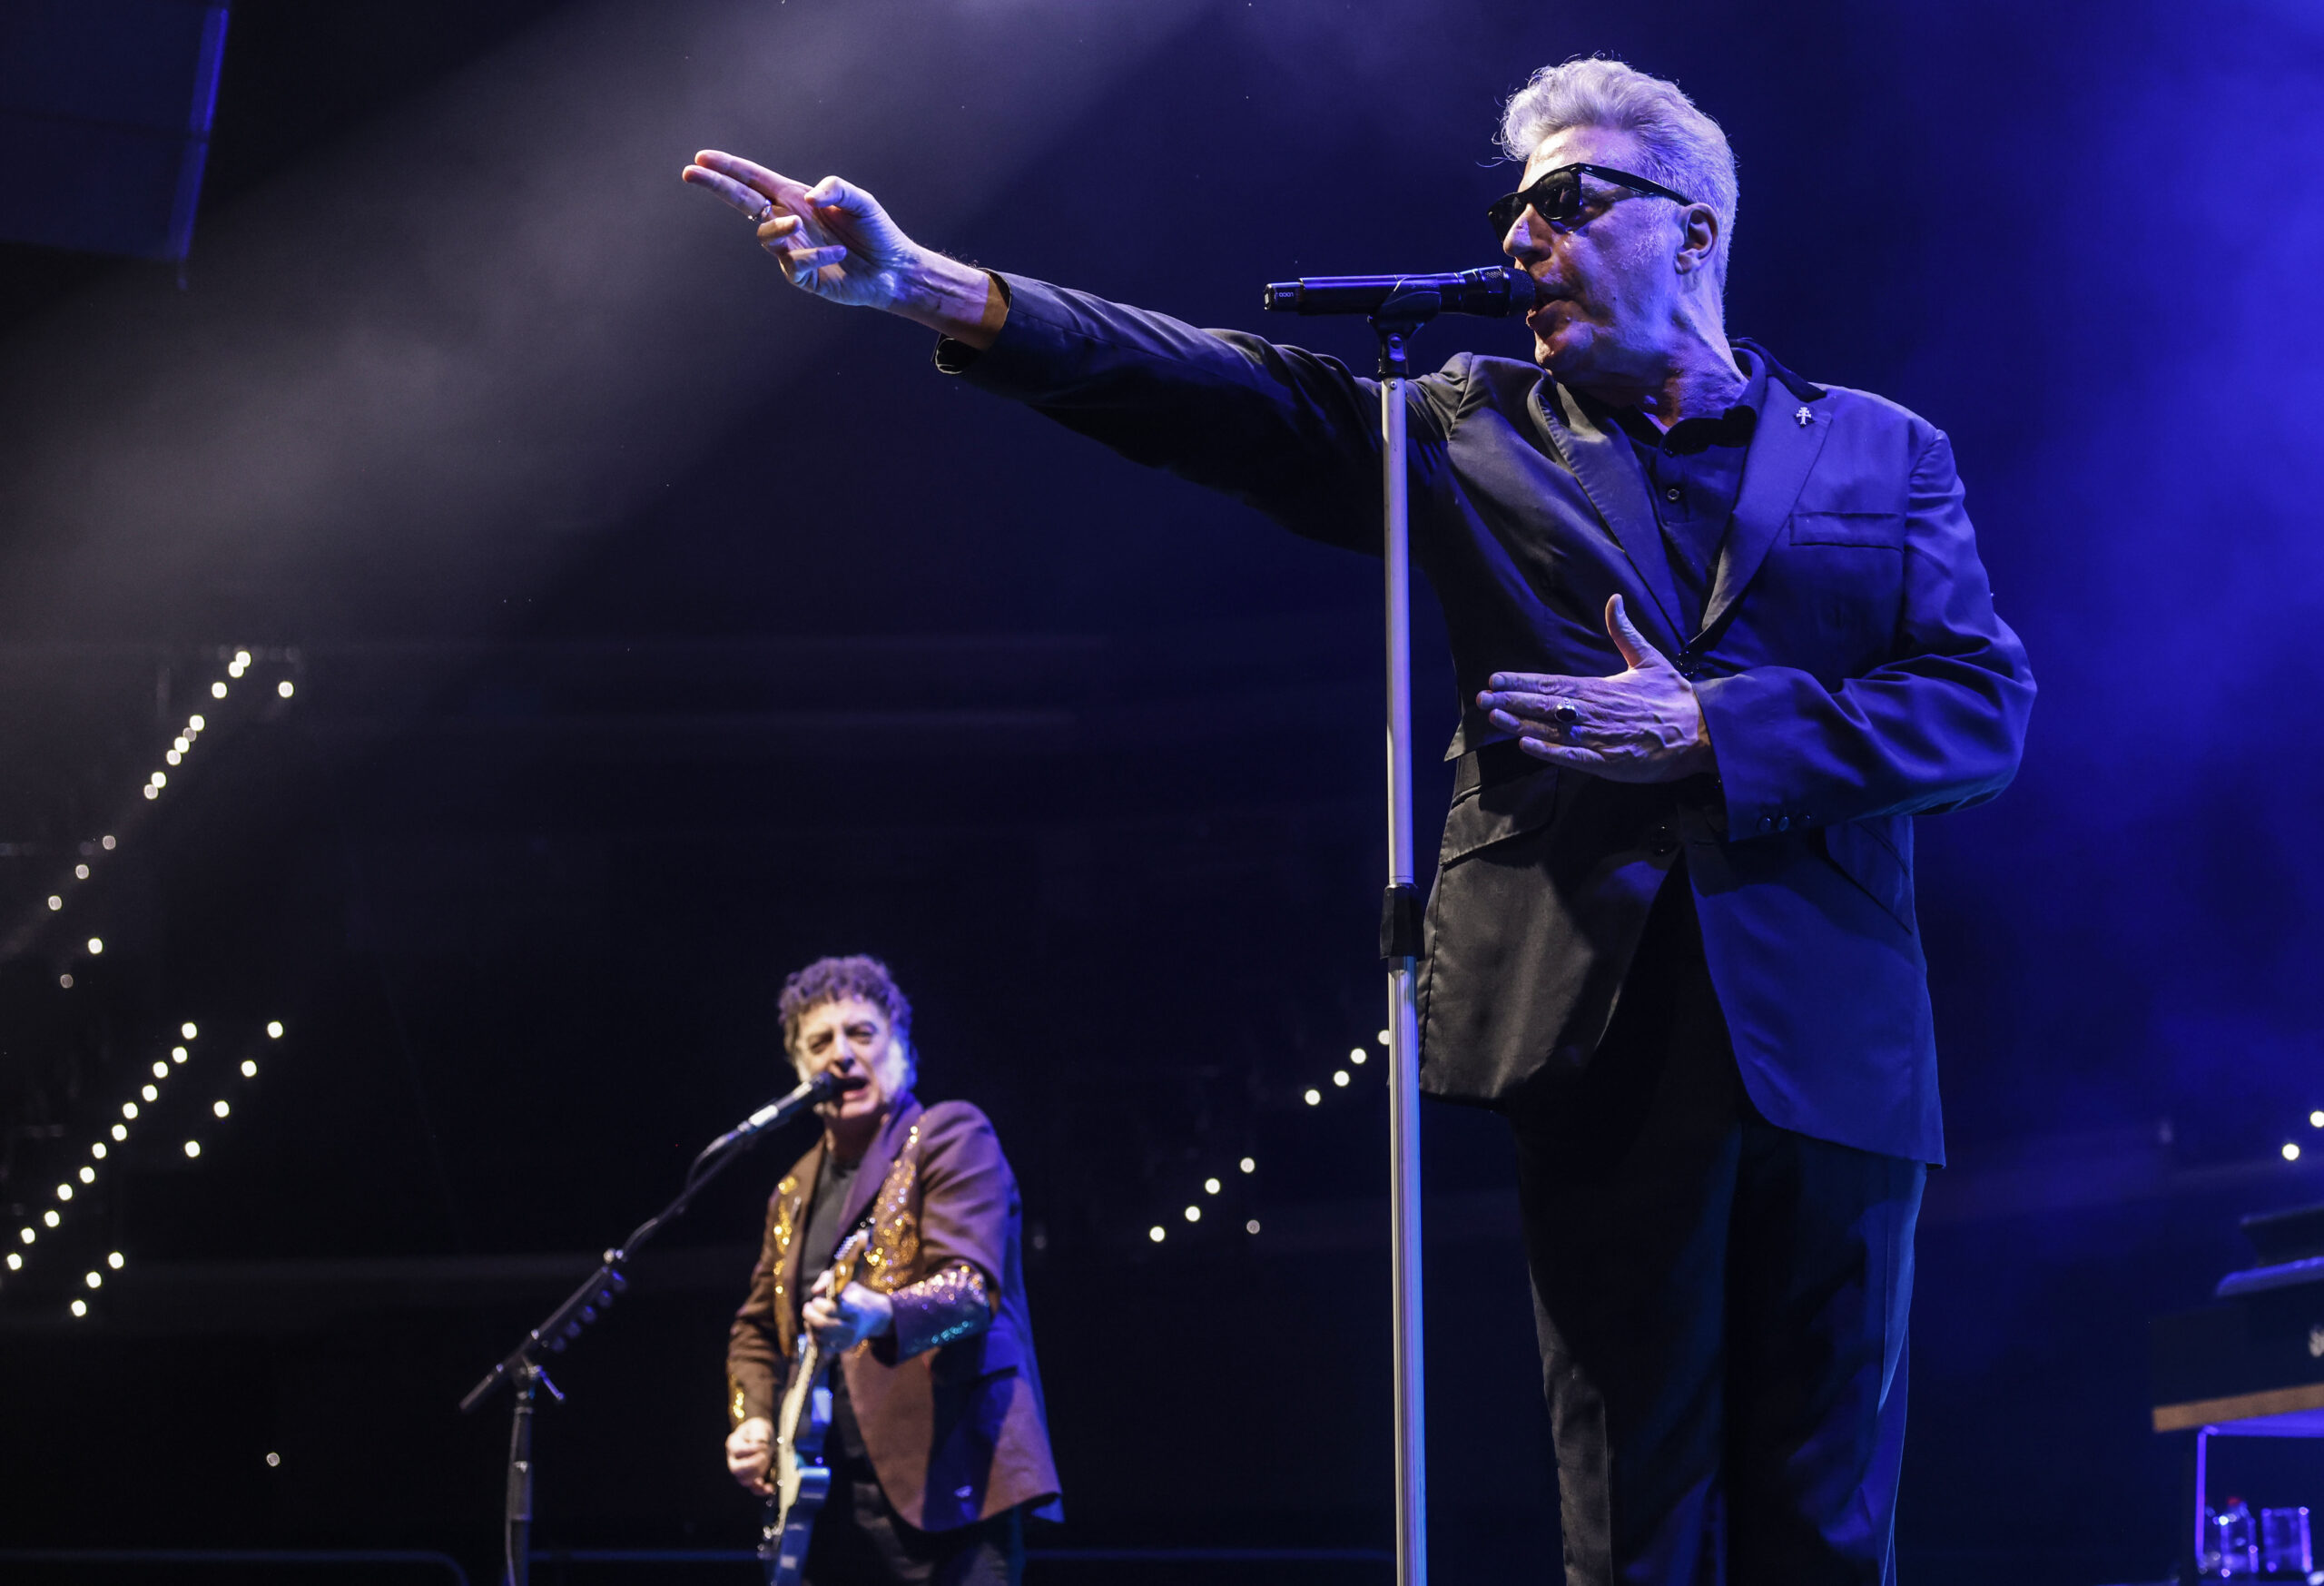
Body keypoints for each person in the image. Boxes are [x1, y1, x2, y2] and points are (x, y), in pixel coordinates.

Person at [683, 55, 2033, 1586]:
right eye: (1512, 216)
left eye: (1566, 203)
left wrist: (1712, 726)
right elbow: (1218, 392)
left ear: (1695, 228)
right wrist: (927, 285)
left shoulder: (1881, 450)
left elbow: (1981, 707)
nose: (1522, 242)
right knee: (1632, 1515)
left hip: (1837, 1050)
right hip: (1601, 1033)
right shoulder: (1473, 428)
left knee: (1830, 1513)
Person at [725, 955, 1061, 1586]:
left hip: (954, 1489)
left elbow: (969, 1290)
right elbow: (754, 1329)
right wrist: (755, 1417)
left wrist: (875, 1313)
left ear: (901, 1047)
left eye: (862, 1033)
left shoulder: (951, 1134)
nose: (842, 1055)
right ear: (801, 1071)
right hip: (826, 1509)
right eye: (820, 1041)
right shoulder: (792, 1189)